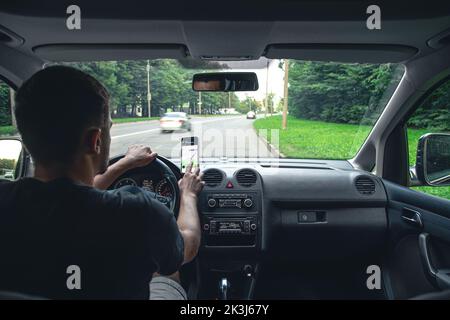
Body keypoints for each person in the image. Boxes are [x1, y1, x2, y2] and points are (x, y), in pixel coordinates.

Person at [0, 66, 204, 299]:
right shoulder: (137, 213)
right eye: (109, 130)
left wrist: (125, 164)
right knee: (166, 274)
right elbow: (187, 247)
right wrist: (188, 194)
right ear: (96, 140)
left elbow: (65, 200)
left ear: (26, 142)